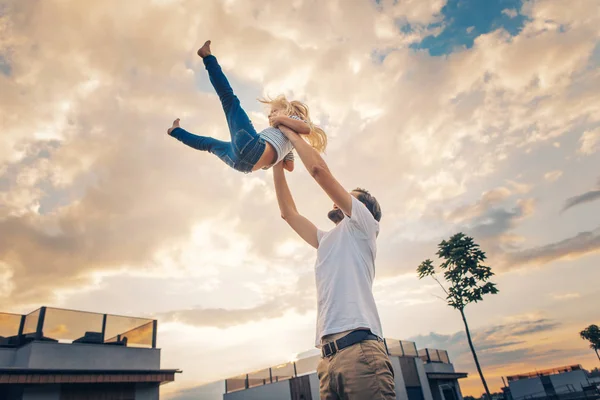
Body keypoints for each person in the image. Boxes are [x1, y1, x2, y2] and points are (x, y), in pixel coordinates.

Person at [272, 123, 396, 399]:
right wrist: (278, 160)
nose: (336, 199)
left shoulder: (364, 227)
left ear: (362, 210)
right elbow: (288, 213)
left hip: (361, 353)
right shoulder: (325, 240)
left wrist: (291, 135)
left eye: (347, 199)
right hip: (327, 361)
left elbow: (319, 172)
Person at [167, 40, 327, 173]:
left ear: (290, 111)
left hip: (250, 147)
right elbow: (289, 167)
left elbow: (305, 128)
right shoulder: (289, 140)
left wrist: (280, 119)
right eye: (273, 113)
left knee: (229, 100)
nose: (271, 116)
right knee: (209, 143)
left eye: (274, 111)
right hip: (242, 165)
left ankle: (208, 57)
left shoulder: (291, 121)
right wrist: (280, 153)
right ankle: (175, 131)